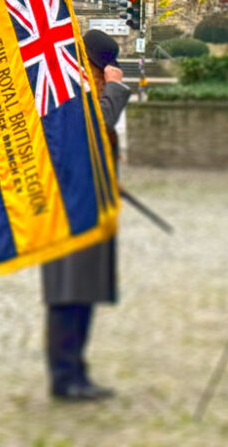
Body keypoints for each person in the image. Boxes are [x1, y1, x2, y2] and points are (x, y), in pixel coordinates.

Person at [41, 29, 132, 402]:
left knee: (86, 293)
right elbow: (94, 126)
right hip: (69, 212)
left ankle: (76, 370)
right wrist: (114, 89)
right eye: (104, 69)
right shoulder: (66, 92)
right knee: (68, 294)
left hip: (91, 207)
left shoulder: (81, 91)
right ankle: (65, 376)